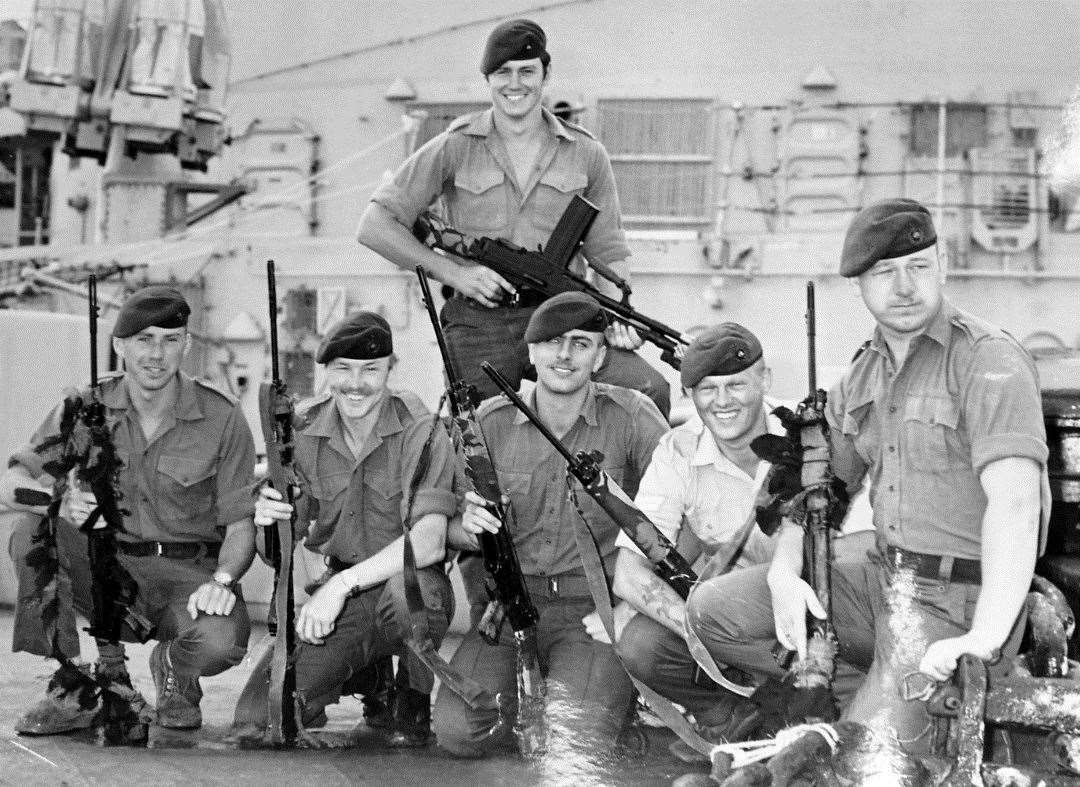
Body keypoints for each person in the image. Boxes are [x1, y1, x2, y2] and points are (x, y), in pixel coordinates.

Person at [685, 198, 1049, 753]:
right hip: (882, 582)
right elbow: (814, 486)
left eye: (919, 267)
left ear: (942, 265)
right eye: (884, 273)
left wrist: (985, 637)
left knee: (868, 762)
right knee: (713, 611)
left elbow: (1017, 508)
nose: (903, 287)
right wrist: (786, 572)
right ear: (859, 284)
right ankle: (864, 689)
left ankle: (895, 713)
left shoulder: (988, 361)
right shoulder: (865, 372)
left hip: (959, 599)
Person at [356, 18, 671, 419]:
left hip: (564, 317)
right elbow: (374, 225)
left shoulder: (586, 153)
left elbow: (608, 250)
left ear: (545, 73)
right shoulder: (455, 146)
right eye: (502, 72)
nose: (515, 83)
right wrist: (453, 274)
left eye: (527, 71)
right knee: (480, 436)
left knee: (649, 393)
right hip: (480, 322)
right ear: (487, 79)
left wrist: (614, 319)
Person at [3, 285, 256, 733]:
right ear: (120, 345)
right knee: (30, 534)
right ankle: (79, 681)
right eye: (143, 339)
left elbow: (240, 523)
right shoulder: (84, 408)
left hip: (185, 576)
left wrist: (223, 580)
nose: (156, 354)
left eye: (169, 339)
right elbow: (12, 482)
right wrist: (60, 501)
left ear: (187, 344)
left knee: (219, 642)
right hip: (104, 566)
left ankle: (176, 670)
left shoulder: (222, 418)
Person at [432, 292, 668, 758]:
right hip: (512, 604)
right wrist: (467, 524)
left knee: (570, 746)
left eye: (581, 344)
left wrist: (632, 608)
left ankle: (601, 703)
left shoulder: (633, 417)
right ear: (531, 350)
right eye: (553, 342)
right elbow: (446, 525)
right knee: (459, 732)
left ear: (600, 356)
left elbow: (675, 519)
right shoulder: (489, 423)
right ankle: (534, 699)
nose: (565, 355)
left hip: (593, 610)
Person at [246, 311, 457, 747]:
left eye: (370, 371)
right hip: (342, 589)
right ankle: (367, 670)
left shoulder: (422, 429)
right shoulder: (299, 431)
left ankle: (413, 692)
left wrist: (339, 587)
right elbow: (279, 550)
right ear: (326, 371)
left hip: (407, 580)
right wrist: (268, 519)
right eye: (343, 369)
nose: (356, 384)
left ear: (390, 370)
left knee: (410, 600)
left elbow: (430, 541)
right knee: (258, 718)